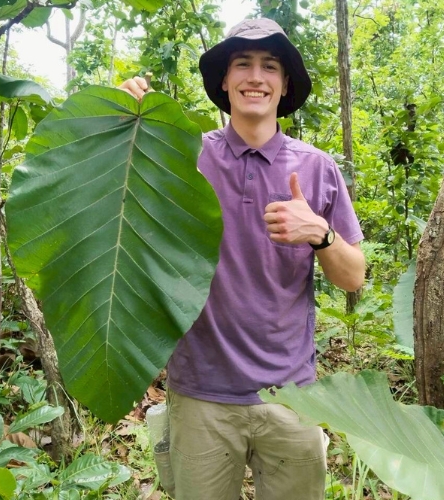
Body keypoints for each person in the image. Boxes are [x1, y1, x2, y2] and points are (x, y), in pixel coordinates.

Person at [119, 18, 365, 500]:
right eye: (243, 64)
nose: (256, 76)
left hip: (290, 394)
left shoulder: (317, 168)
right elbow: (118, 195)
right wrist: (122, 117)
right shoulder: (184, 157)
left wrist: (320, 234)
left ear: (284, 84)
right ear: (225, 82)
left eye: (270, 66)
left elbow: (353, 277)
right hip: (201, 393)